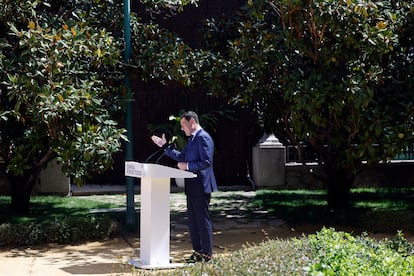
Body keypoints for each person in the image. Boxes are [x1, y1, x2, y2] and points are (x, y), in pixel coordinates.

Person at [151, 111, 218, 262]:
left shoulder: (203, 138)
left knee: (202, 221)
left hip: (201, 186)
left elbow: (206, 162)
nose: (182, 129)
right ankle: (197, 253)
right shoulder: (193, 139)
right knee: (193, 223)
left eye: (183, 125)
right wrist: (165, 147)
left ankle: (206, 255)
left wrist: (187, 166)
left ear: (192, 122)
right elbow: (181, 157)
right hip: (192, 186)